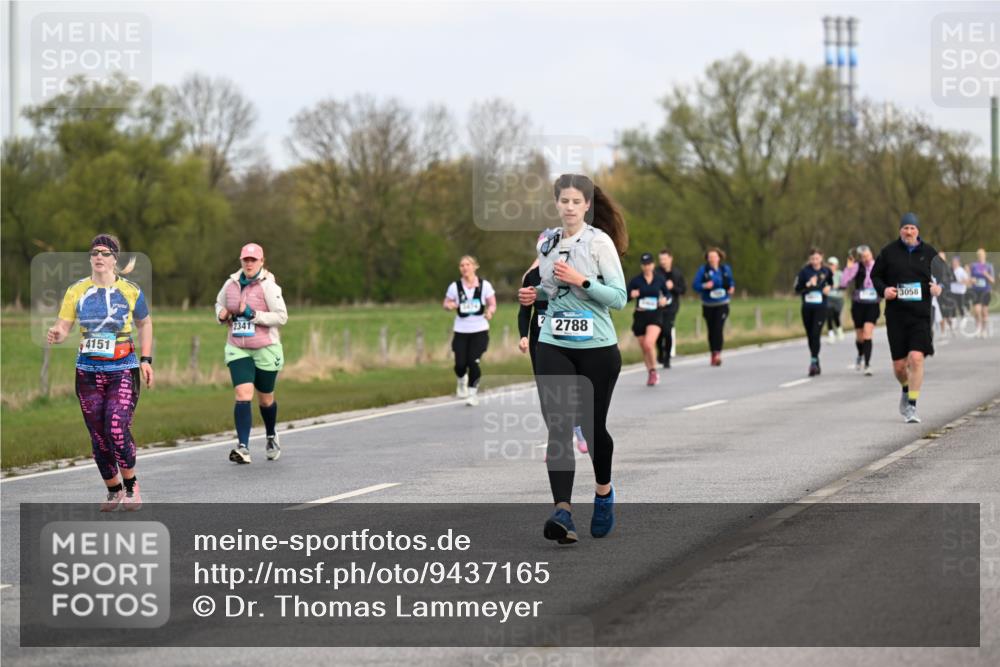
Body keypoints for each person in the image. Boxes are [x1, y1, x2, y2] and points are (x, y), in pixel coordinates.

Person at [517, 173, 627, 544]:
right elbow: (547, 287)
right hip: (554, 342)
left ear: (586, 206)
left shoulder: (600, 243)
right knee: (559, 427)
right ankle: (562, 511)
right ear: (557, 203)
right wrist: (534, 294)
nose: (569, 207)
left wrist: (582, 280)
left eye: (576, 202)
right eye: (563, 201)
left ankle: (603, 493)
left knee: (594, 429)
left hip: (597, 346)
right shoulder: (547, 243)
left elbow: (619, 297)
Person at [46, 234, 154, 511]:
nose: (99, 256)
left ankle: (131, 486)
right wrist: (57, 333)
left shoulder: (130, 290)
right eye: (95, 252)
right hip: (88, 372)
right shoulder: (77, 290)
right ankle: (113, 489)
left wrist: (146, 359)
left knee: (116, 428)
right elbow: (64, 326)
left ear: (114, 259)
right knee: (98, 435)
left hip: (123, 369)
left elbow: (144, 324)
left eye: (105, 252)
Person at [216, 243, 289, 463]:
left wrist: (252, 314)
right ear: (241, 261)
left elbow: (281, 317)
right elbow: (218, 304)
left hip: (265, 347)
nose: (249, 263)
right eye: (245, 260)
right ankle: (243, 447)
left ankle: (270, 434)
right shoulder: (231, 283)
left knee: (265, 398)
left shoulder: (269, 286)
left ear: (261, 262)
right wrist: (221, 315)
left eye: (253, 260)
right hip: (238, 347)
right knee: (243, 394)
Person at [871, 213, 944, 424]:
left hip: (920, 315)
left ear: (918, 231)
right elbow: (875, 276)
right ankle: (905, 388)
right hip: (896, 315)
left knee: (916, 358)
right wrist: (884, 291)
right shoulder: (888, 252)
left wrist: (939, 288)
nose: (909, 232)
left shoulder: (929, 252)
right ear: (900, 230)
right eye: (905, 228)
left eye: (912, 228)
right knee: (899, 366)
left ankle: (912, 405)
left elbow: (944, 276)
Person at [518, 259, 587, 453]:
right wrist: (523, 336)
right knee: (545, 391)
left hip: (564, 336)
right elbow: (524, 312)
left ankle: (579, 427)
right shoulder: (531, 277)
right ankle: (556, 440)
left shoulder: (566, 271)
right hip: (539, 338)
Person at [444, 255, 496, 406]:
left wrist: (490, 312)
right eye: (462, 265)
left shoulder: (484, 285)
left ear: (475, 266)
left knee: (473, 362)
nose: (465, 268)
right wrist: (449, 305)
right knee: (460, 364)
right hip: (461, 330)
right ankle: (461, 380)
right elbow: (446, 303)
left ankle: (473, 393)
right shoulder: (455, 287)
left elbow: (492, 304)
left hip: (479, 330)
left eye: (467, 264)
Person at [628, 253, 671, 386]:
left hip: (655, 314)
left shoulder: (660, 279)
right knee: (644, 347)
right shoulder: (636, 281)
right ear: (642, 266)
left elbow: (668, 295)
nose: (647, 267)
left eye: (649, 264)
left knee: (648, 343)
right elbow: (624, 297)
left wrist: (665, 300)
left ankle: (653, 371)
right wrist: (631, 294)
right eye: (644, 264)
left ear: (653, 265)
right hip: (640, 315)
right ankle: (651, 371)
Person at [840, 245, 880, 375]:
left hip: (873, 304)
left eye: (867, 256)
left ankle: (868, 364)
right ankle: (860, 354)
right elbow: (843, 283)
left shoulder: (879, 266)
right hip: (858, 304)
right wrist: (849, 268)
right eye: (863, 257)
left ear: (871, 254)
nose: (866, 259)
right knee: (860, 335)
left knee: (868, 332)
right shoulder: (857, 267)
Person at [692, 247, 735, 366]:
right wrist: (705, 285)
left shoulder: (725, 269)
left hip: (722, 303)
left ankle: (717, 353)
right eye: (710, 257)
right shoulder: (703, 270)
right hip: (708, 304)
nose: (712, 259)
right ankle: (713, 352)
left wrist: (731, 288)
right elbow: (695, 285)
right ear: (707, 258)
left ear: (719, 257)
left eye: (714, 256)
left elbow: (731, 282)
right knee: (711, 330)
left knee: (718, 328)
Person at [794, 248, 834, 376]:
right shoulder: (804, 271)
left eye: (817, 259)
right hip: (807, 307)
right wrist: (808, 284)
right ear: (809, 260)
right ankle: (815, 360)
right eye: (812, 259)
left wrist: (828, 288)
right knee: (810, 335)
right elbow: (797, 289)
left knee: (816, 334)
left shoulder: (826, 271)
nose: (815, 261)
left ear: (821, 258)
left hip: (821, 307)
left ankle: (813, 362)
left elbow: (831, 284)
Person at [655, 249, 686, 368]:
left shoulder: (677, 273)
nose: (662, 262)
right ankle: (660, 352)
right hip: (657, 307)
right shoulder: (656, 272)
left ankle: (667, 357)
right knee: (658, 332)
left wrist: (673, 287)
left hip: (672, 307)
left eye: (664, 259)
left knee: (667, 331)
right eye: (661, 259)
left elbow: (683, 290)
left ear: (670, 258)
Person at [969, 248, 995, 338]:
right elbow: (971, 278)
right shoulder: (974, 266)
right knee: (977, 311)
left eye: (982, 255)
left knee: (984, 312)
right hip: (976, 291)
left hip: (986, 291)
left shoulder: (989, 266)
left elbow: (992, 280)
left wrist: (986, 274)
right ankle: (978, 329)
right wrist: (972, 280)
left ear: (985, 256)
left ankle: (984, 330)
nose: (980, 257)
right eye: (979, 256)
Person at [936, 251, 959, 336]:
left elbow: (954, 279)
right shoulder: (934, 268)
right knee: (941, 311)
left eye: (942, 257)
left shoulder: (948, 268)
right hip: (938, 292)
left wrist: (945, 282)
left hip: (947, 291)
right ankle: (943, 330)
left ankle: (952, 327)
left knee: (948, 310)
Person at [825, 256, 845, 342]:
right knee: (829, 316)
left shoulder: (840, 274)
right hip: (828, 297)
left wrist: (836, 286)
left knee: (836, 315)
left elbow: (844, 285)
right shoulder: (825, 274)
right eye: (829, 264)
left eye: (832, 264)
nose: (830, 266)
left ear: (836, 265)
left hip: (838, 298)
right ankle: (831, 335)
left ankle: (839, 330)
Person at [949, 256, 970, 321]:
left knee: (960, 307)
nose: (954, 263)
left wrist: (959, 281)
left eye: (955, 262)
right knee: (952, 307)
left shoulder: (961, 270)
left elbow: (967, 281)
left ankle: (963, 318)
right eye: (953, 262)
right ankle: (953, 322)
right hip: (952, 291)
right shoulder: (950, 270)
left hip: (960, 292)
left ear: (958, 262)